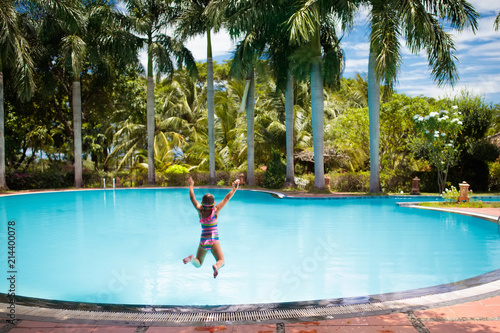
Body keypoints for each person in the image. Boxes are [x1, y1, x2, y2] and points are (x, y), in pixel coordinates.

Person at [183, 176, 240, 278]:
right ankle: (216, 266)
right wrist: (235, 188)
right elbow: (226, 198)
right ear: (213, 204)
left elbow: (192, 198)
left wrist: (191, 185)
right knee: (221, 260)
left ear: (202, 203)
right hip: (213, 240)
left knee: (199, 262)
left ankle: (191, 260)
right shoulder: (216, 210)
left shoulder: (200, 210)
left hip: (203, 240)